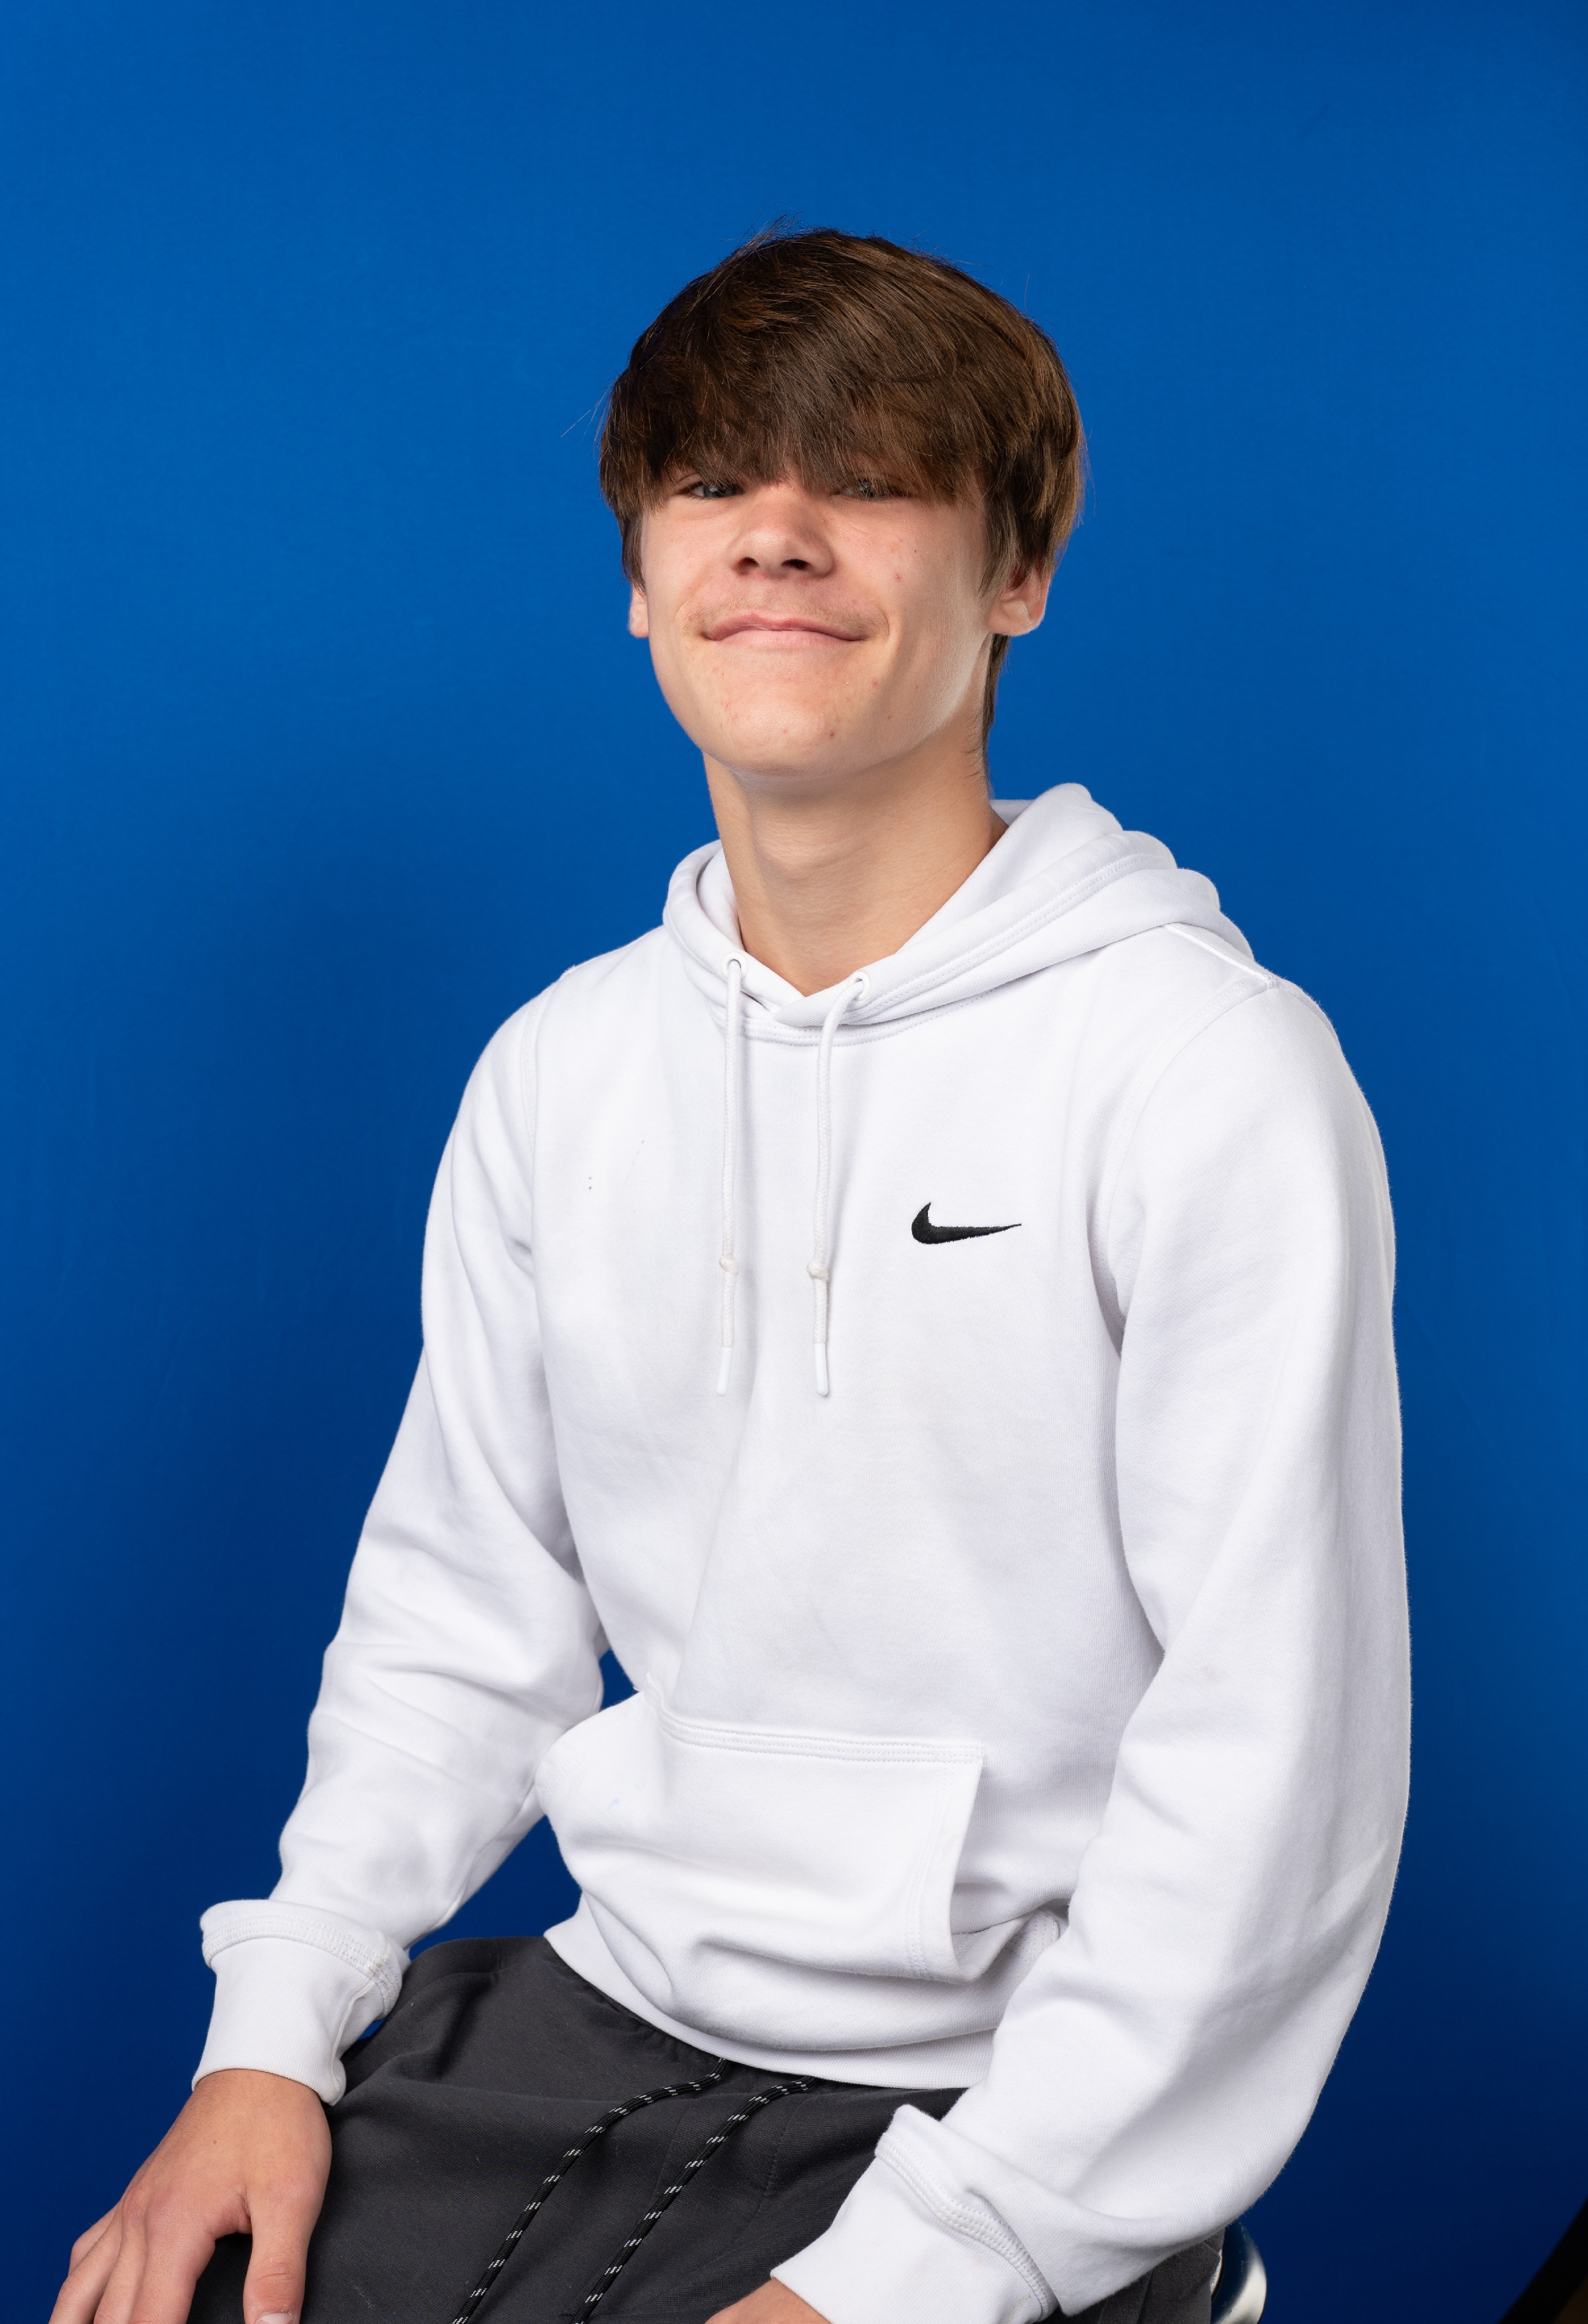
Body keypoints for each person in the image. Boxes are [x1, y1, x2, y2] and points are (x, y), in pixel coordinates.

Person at [53, 229, 1409, 2324]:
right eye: (710, 484)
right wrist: (268, 2034)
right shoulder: (563, 1067)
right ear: (641, 575)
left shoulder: (1205, 1070)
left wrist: (925, 2267)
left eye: (867, 480)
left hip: (1018, 2095)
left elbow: (1271, 1772)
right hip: (598, 2006)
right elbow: (460, 1620)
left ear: (1019, 573)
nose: (776, 534)